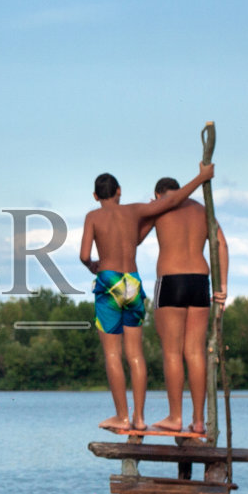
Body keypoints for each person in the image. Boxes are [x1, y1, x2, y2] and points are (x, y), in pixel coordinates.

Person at [79, 163, 214, 432]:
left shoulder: (92, 217)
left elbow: (84, 255)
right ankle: (140, 418)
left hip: (108, 281)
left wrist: (93, 265)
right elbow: (172, 201)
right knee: (136, 354)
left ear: (95, 196)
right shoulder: (135, 210)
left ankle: (123, 417)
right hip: (131, 281)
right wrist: (200, 178)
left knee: (113, 355)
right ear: (119, 191)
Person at [138, 176, 229, 434]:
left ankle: (175, 417)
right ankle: (199, 420)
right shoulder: (201, 209)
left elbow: (135, 238)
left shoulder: (161, 207)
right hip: (201, 281)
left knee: (172, 352)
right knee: (195, 352)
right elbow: (221, 244)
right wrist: (222, 287)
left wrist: (150, 211)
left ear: (158, 195)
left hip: (170, 281)